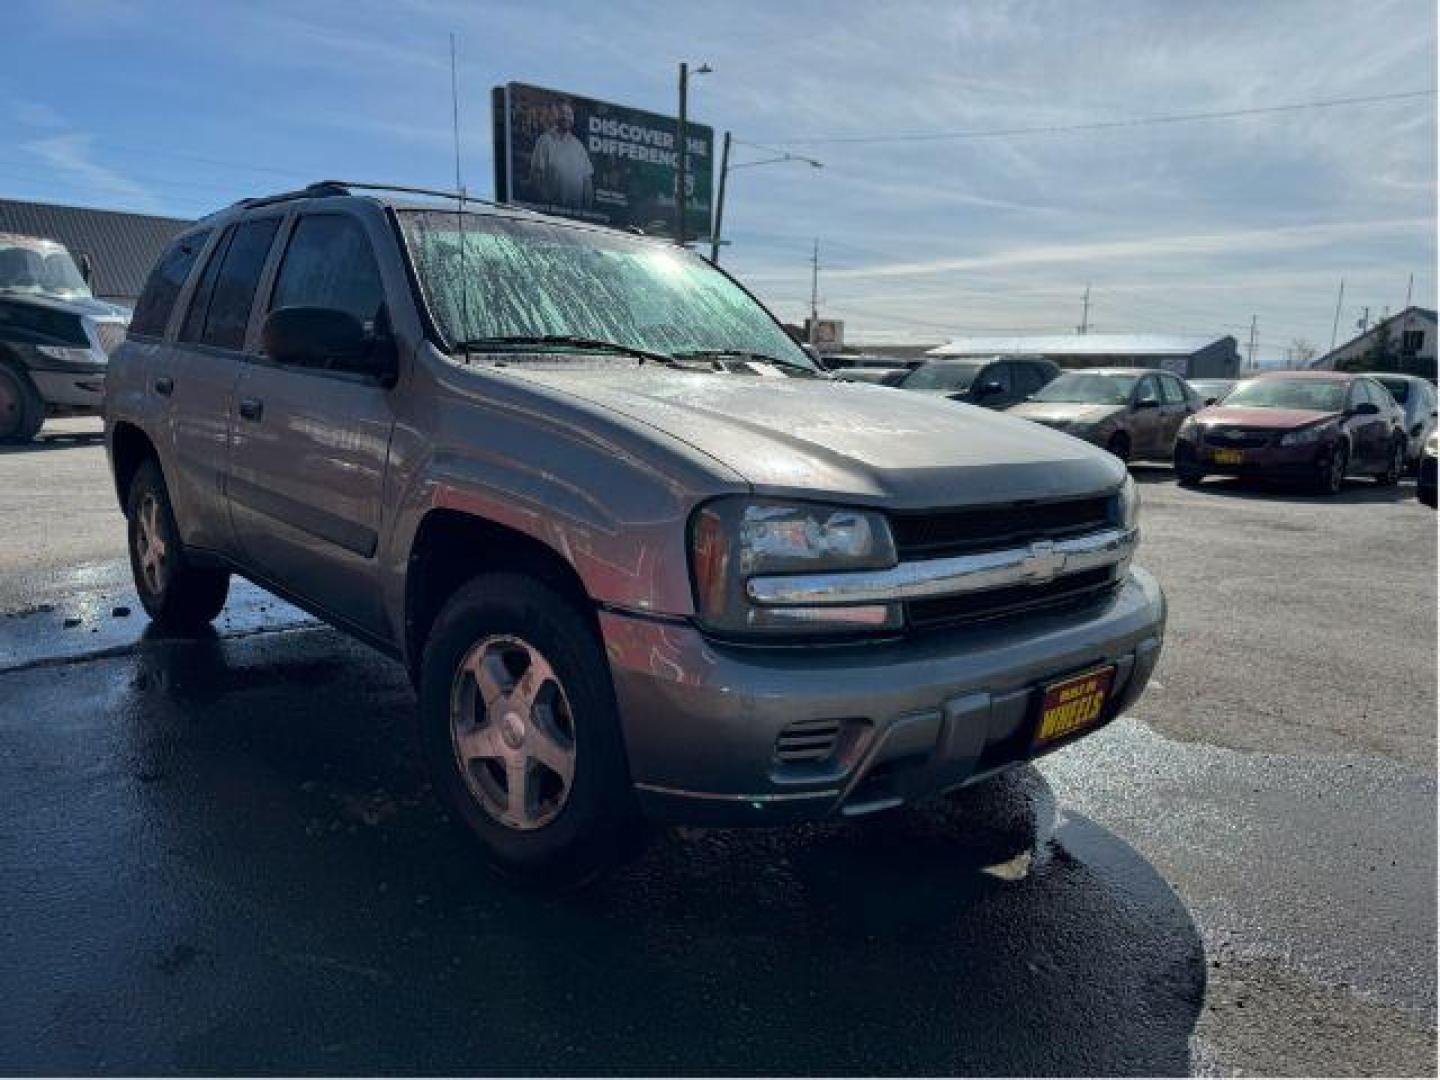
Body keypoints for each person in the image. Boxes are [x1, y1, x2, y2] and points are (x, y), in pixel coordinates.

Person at [528, 102, 593, 210]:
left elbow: (587, 180)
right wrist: (546, 202)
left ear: (573, 119)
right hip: (551, 212)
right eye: (563, 113)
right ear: (556, 115)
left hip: (577, 215)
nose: (566, 117)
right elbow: (535, 175)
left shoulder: (579, 146)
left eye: (569, 114)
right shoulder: (545, 140)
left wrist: (588, 209)